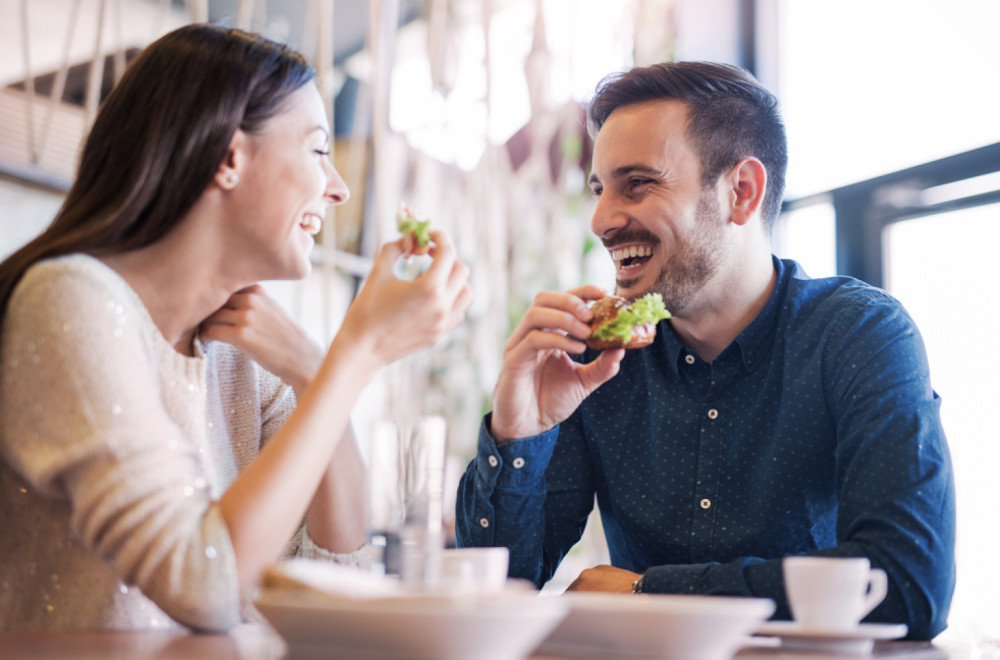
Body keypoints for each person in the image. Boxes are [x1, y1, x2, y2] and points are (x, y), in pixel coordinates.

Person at [455, 61, 954, 640]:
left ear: (741, 192)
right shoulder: (593, 361)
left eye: (636, 183)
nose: (601, 220)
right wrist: (520, 432)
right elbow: (493, 594)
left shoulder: (858, 335)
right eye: (598, 189)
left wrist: (651, 592)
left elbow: (910, 585)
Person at [0, 24, 472, 632]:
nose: (338, 188)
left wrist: (314, 368)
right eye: (318, 149)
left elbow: (339, 575)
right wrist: (357, 355)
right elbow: (206, 584)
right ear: (229, 156)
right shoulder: (68, 299)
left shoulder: (240, 356)